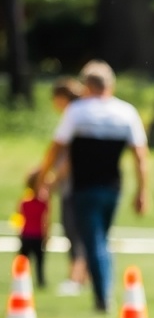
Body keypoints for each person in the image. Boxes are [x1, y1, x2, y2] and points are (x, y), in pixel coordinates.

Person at [38, 61, 149, 314]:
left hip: (84, 188)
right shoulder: (126, 112)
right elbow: (141, 157)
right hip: (113, 188)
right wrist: (142, 191)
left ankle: (103, 296)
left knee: (94, 241)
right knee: (101, 239)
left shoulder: (78, 111)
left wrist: (44, 177)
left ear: (87, 85)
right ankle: (104, 289)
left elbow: (56, 148)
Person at [48, 78, 90, 297]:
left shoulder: (73, 115)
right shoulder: (80, 114)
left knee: (74, 231)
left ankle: (77, 277)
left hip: (74, 185)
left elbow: (68, 157)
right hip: (83, 184)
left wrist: (52, 179)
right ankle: (84, 276)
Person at [15, 170, 49, 286]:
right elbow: (46, 221)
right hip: (37, 236)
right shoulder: (43, 202)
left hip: (26, 235)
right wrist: (46, 235)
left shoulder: (24, 201)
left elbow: (19, 217)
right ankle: (40, 281)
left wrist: (18, 231)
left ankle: (19, 280)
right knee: (39, 261)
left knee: (23, 260)